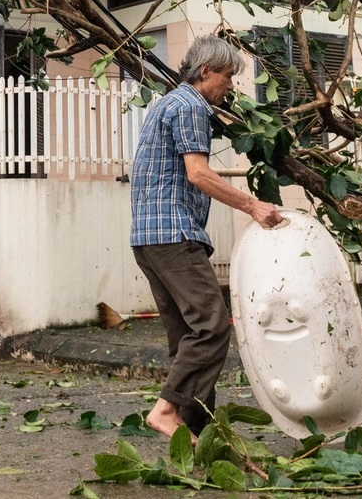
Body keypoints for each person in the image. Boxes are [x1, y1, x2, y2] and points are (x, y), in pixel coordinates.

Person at [129, 36, 285, 438]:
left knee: (187, 339)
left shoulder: (165, 103)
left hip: (148, 237)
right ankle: (165, 411)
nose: (231, 87)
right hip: (174, 234)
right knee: (213, 325)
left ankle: (199, 437)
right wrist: (253, 206)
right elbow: (198, 173)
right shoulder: (191, 106)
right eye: (228, 77)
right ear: (206, 72)